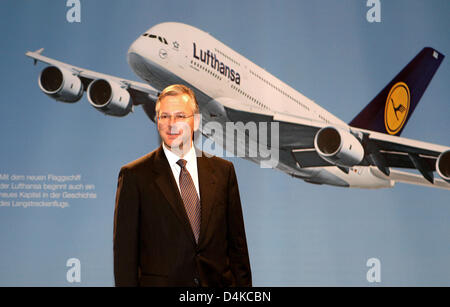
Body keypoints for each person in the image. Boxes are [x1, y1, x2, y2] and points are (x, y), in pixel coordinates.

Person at [113, 84, 252, 287]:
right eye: (164, 116)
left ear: (196, 122)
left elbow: (238, 251)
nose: (172, 124)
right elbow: (125, 259)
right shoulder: (134, 176)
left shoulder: (224, 172)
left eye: (180, 116)